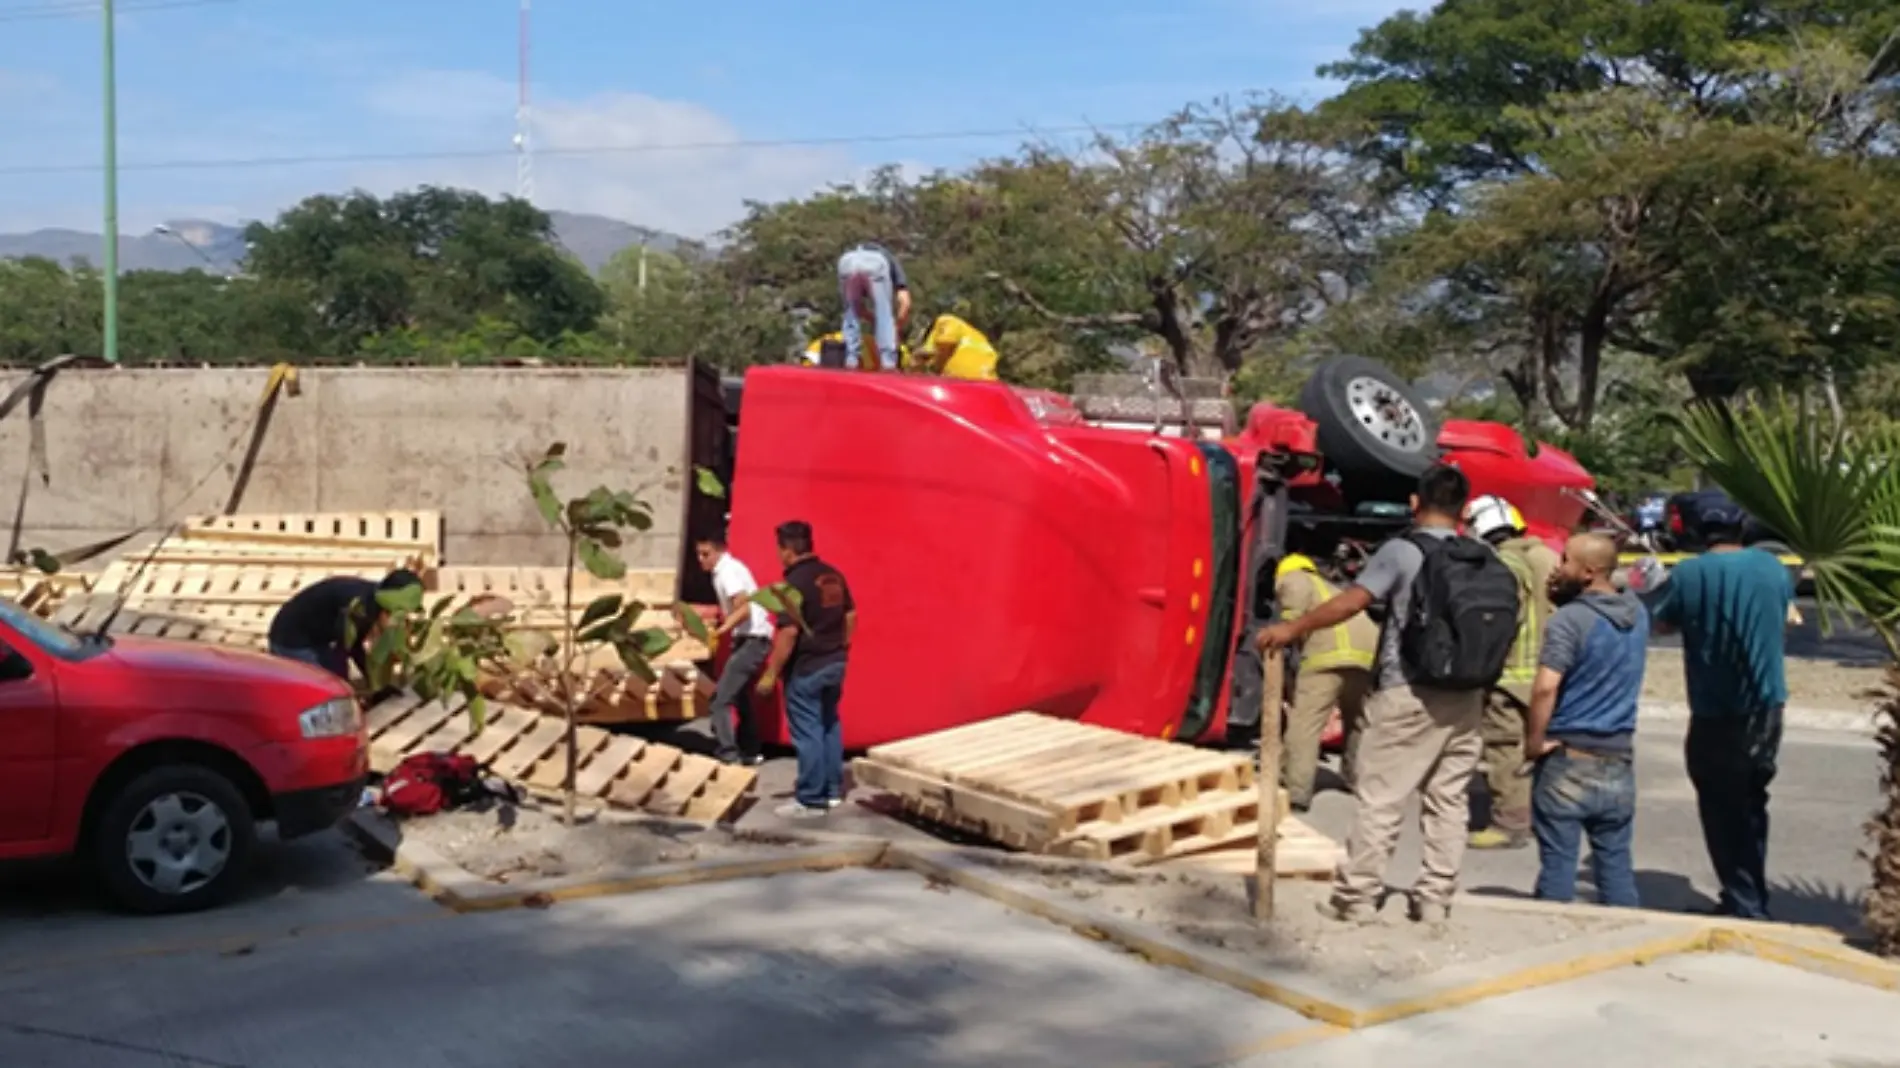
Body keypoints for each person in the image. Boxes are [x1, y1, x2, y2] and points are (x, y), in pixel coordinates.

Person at [1261, 464, 1512, 924]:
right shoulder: (1480, 554)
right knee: (1448, 799)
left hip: (1408, 691)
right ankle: (1435, 898)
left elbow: (1353, 600)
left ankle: (1356, 897)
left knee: (1382, 797)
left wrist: (1293, 627)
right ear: (1462, 511)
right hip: (1466, 694)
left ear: (1416, 504)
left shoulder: (1402, 551)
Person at [1647, 497, 1795, 920]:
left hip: (1716, 707)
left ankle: (1745, 901)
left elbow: (1662, 623)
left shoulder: (1690, 574)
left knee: (1720, 804)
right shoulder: (1773, 568)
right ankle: (1748, 893)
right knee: (1752, 799)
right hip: (1768, 704)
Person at [1523, 533, 1649, 907]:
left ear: (1589, 571)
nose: (1558, 568)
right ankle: (1625, 940)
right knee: (1615, 866)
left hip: (1567, 756)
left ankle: (1554, 935)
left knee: (1558, 865)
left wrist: (1534, 742)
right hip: (1618, 757)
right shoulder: (1637, 614)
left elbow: (1546, 687)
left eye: (1565, 561)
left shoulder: (1569, 621)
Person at [1463, 495, 1561, 850]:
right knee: (1545, 746)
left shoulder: (1502, 564)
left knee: (1506, 747)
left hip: (1512, 674)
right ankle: (1543, 816)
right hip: (1552, 669)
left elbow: (1500, 619)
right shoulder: (1547, 556)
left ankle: (1510, 823)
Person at [757, 520, 856, 819]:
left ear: (786, 550)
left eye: (779, 549)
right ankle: (831, 790)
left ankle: (811, 798)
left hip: (807, 667)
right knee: (829, 724)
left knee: (808, 730)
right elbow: (851, 614)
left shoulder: (792, 587)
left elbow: (787, 634)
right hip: (835, 661)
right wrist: (842, 646)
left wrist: (771, 673)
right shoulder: (832, 576)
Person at [1273, 553, 1377, 811]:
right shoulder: (1333, 589)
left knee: (1305, 724)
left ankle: (1296, 790)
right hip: (1366, 656)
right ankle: (1357, 778)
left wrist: (1281, 635)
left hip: (1327, 655)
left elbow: (1290, 621)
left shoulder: (1294, 579)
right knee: (1358, 722)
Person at [695, 534, 772, 767]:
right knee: (741, 697)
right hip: (751, 639)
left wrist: (721, 630)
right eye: (698, 554)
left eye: (706, 554)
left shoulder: (726, 571)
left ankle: (728, 753)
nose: (701, 560)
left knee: (720, 700)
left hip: (752, 640)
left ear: (719, 551)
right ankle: (750, 750)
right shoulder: (730, 569)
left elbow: (744, 608)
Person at [268, 569, 423, 681]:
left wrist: (376, 684)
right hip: (291, 639)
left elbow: (355, 646)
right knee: (324, 686)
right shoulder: (357, 606)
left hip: (317, 638)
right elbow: (343, 650)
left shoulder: (373, 599)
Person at [835, 242, 912, 372]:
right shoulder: (892, 263)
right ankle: (888, 363)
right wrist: (897, 326)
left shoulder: (864, 254)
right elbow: (905, 302)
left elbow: (858, 309)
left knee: (850, 313)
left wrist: (873, 320)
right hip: (874, 263)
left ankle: (851, 360)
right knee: (884, 313)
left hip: (846, 261)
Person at [916, 314, 1001, 381]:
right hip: (989, 381)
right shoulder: (975, 335)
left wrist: (930, 366)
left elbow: (946, 341)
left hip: (969, 380)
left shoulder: (945, 320)